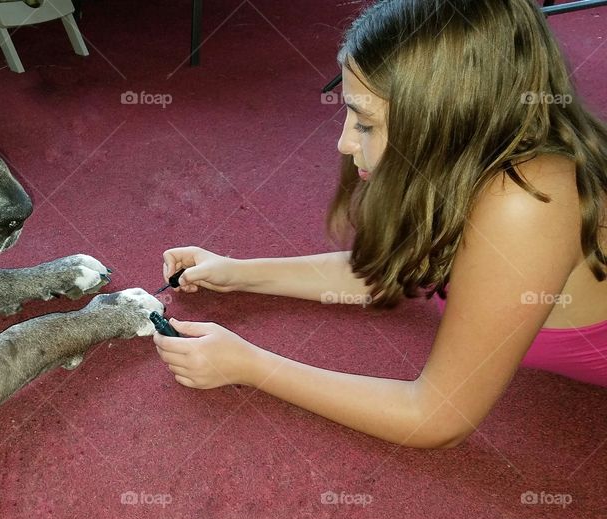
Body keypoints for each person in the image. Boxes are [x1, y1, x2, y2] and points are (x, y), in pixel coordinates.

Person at [152, 0, 607, 449]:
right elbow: (389, 270)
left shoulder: (527, 199)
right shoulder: (475, 158)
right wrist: (236, 271)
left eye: (365, 124)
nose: (344, 141)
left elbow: (436, 416)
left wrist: (250, 365)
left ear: (449, 118)